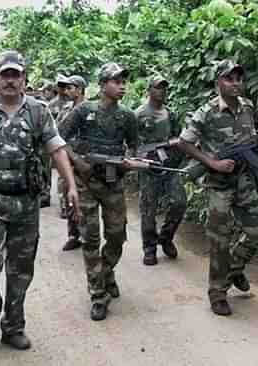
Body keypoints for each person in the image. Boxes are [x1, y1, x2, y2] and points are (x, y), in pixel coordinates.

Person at [0, 50, 80, 352]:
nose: (10, 80)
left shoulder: (38, 111)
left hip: (26, 203)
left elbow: (57, 149)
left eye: (16, 75)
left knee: (20, 270)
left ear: (24, 79)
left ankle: (13, 327)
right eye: (5, 74)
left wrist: (71, 185)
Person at [177, 60, 258, 316]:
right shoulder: (206, 112)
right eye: (229, 78)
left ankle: (235, 268)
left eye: (238, 78)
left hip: (244, 180)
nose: (235, 83)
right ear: (219, 81)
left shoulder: (247, 107)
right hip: (219, 185)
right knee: (220, 240)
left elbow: (249, 136)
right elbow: (184, 143)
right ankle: (217, 293)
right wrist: (213, 163)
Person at [59, 63, 138, 321]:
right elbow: (59, 140)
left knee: (117, 235)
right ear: (103, 84)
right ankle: (97, 293)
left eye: (124, 82)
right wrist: (78, 162)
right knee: (90, 238)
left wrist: (129, 162)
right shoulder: (84, 110)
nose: (122, 86)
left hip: (114, 183)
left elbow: (135, 148)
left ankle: (105, 273)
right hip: (86, 184)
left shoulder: (127, 116)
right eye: (116, 81)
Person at [135, 74, 186, 265]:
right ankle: (149, 248)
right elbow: (131, 143)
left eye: (164, 87)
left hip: (169, 166)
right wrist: (140, 158)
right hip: (148, 168)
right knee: (148, 209)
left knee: (180, 202)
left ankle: (166, 238)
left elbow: (179, 138)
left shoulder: (170, 114)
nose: (162, 91)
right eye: (157, 87)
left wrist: (175, 152)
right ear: (149, 90)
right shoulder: (138, 114)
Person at [58, 75, 88, 250]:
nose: (67, 91)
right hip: (68, 158)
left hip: (86, 160)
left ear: (79, 89)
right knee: (68, 195)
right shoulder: (66, 109)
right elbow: (58, 132)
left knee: (87, 199)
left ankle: (87, 235)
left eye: (70, 87)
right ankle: (73, 234)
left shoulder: (91, 109)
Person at [40, 75, 72, 207]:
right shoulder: (51, 104)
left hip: (66, 142)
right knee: (45, 168)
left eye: (65, 86)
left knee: (63, 170)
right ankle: (45, 194)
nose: (62, 89)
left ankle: (66, 199)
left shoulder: (72, 103)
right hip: (50, 140)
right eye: (60, 86)